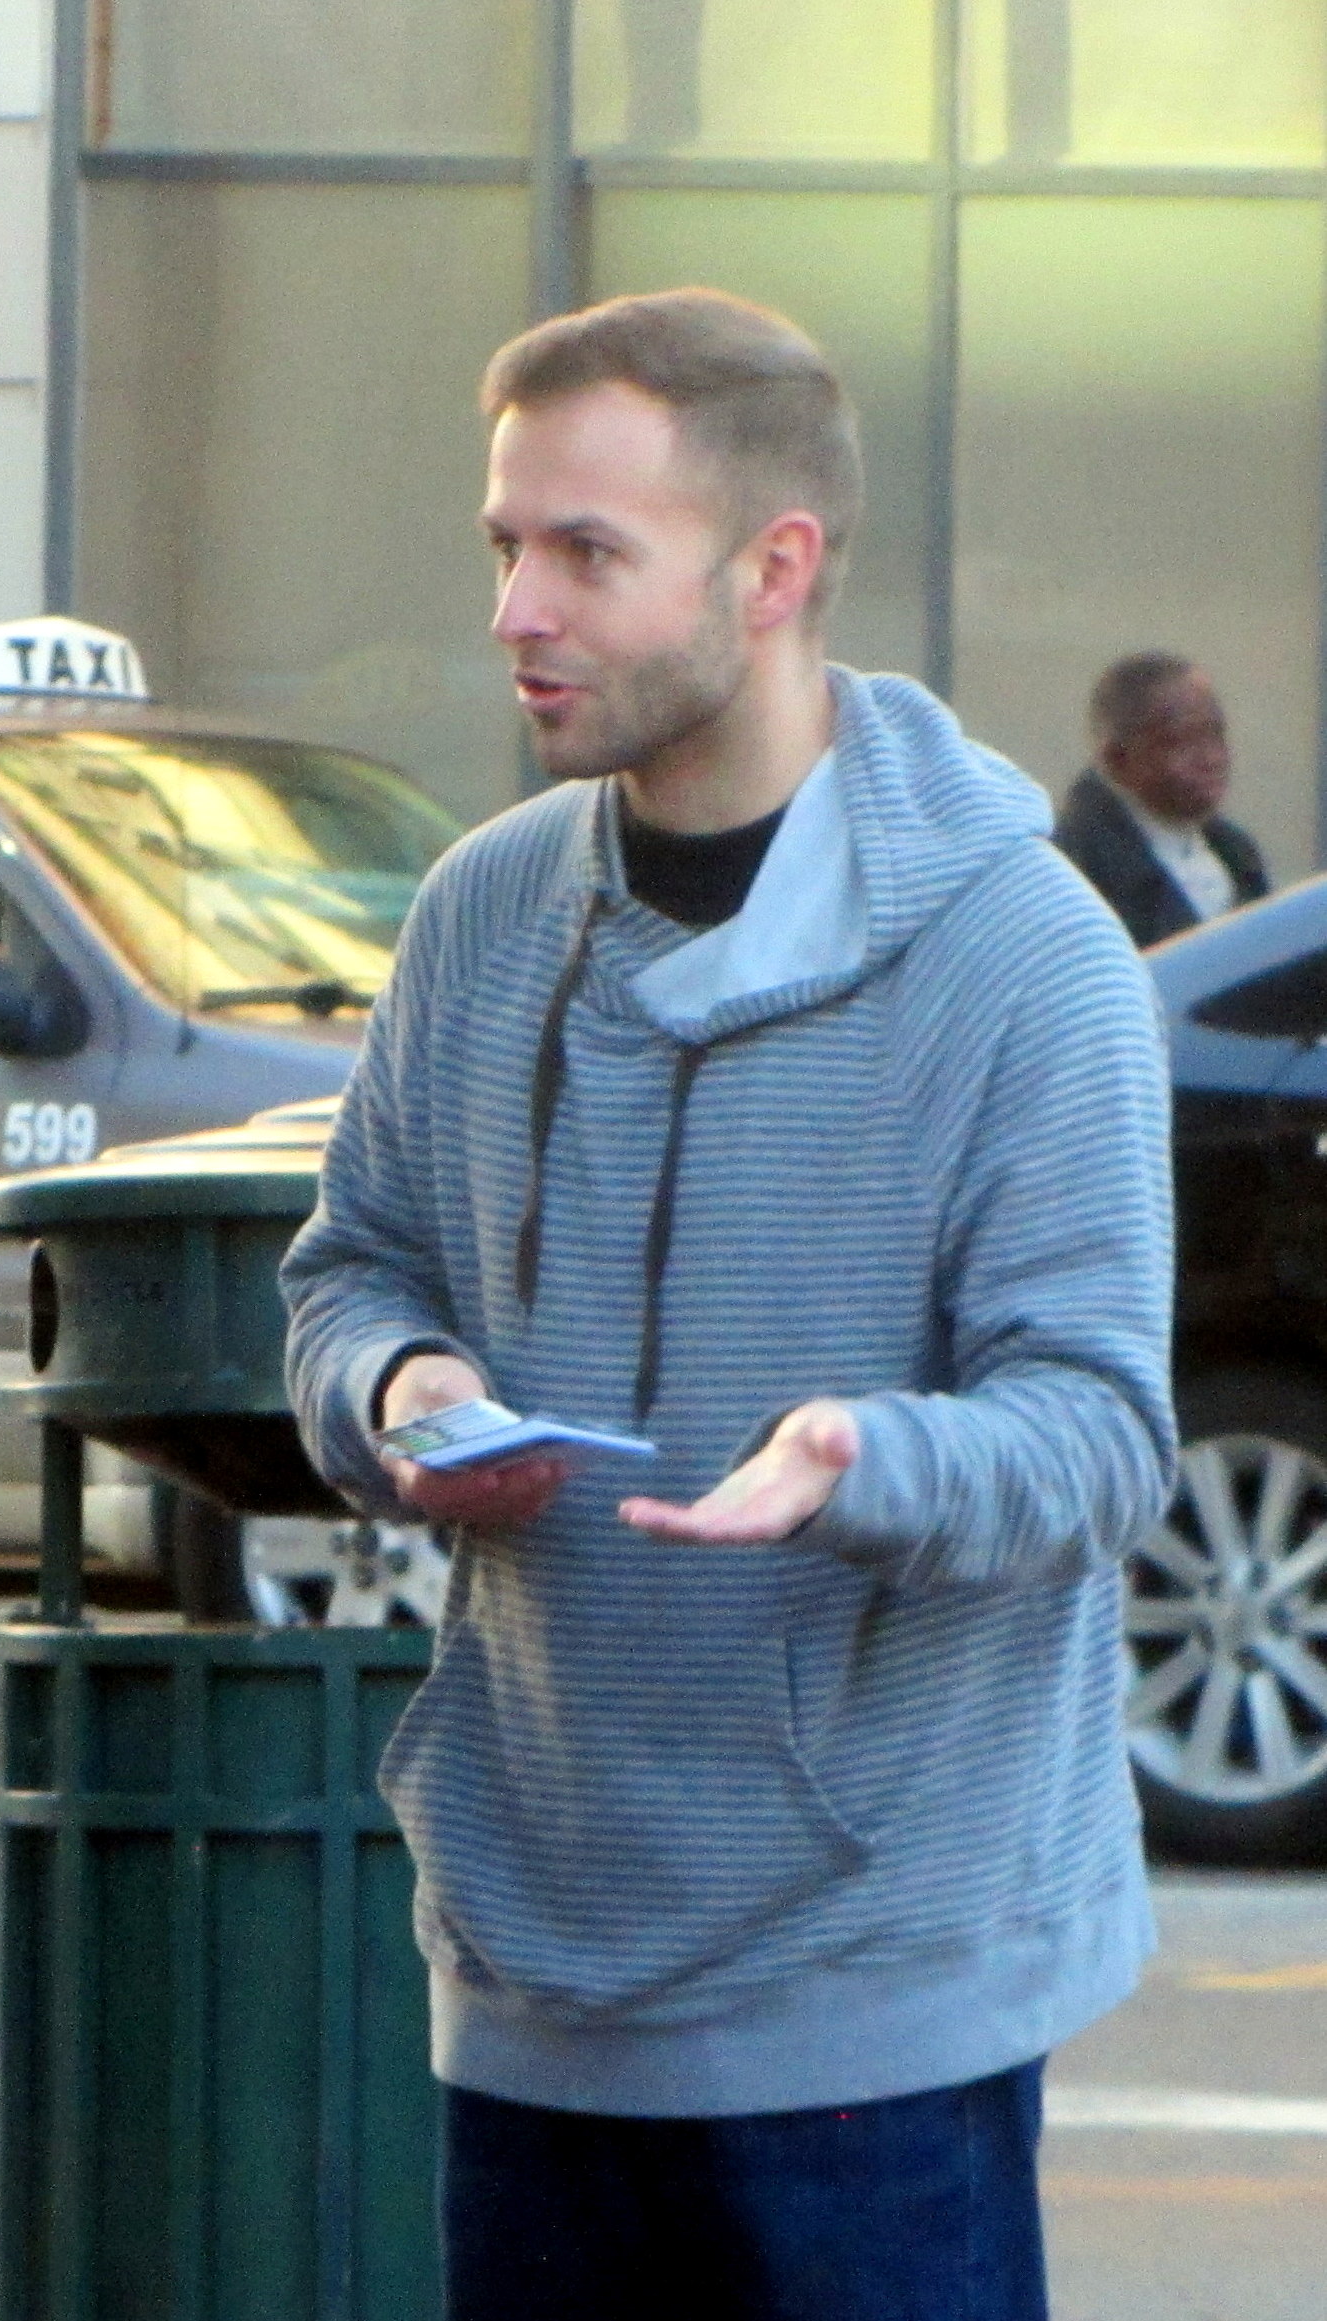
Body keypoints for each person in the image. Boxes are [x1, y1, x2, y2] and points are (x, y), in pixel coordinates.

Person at [282, 289, 1175, 2320]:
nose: (523, 601)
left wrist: (873, 1452)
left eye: (588, 551)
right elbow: (351, 1269)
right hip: (530, 1981)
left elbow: (1104, 1428)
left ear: (774, 572)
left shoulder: (1025, 956)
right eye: (507, 541)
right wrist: (397, 1378)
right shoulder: (483, 910)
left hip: (879, 2008)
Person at [1054, 652, 1268, 946]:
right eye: (1181, 741)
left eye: (1215, 734)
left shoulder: (1237, 854)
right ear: (1117, 758)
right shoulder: (1075, 874)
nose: (1211, 759)